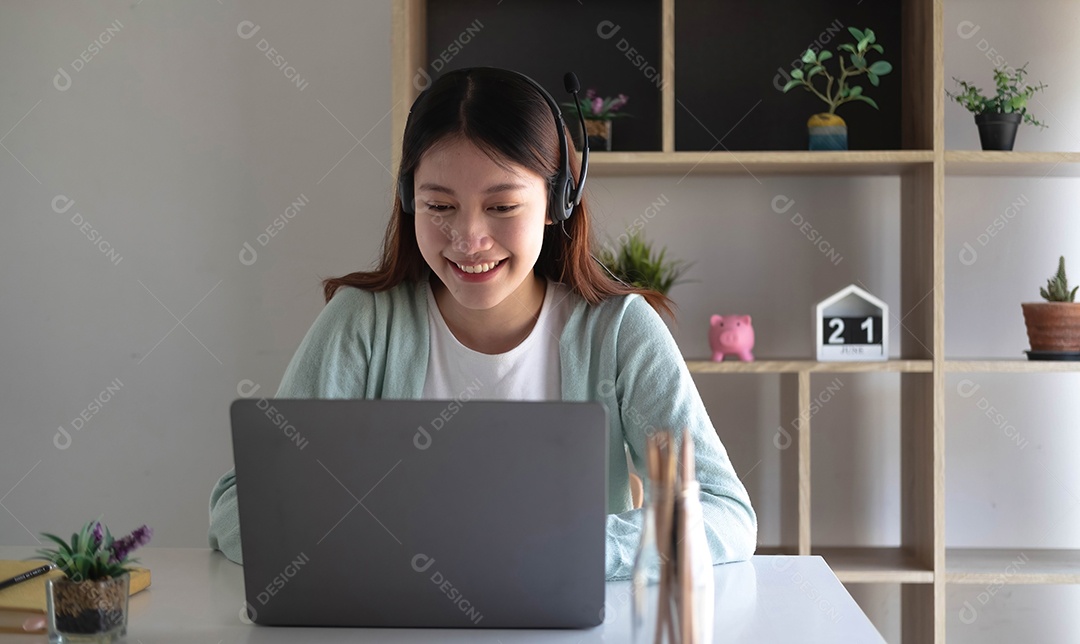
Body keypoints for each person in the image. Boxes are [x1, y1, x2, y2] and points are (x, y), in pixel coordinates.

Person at [208, 67, 756, 581]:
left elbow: (722, 510)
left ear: (555, 203)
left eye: (501, 207)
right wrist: (372, 544)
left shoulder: (616, 332)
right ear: (409, 203)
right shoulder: (362, 325)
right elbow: (240, 506)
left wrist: (579, 549)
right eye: (439, 207)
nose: (469, 239)